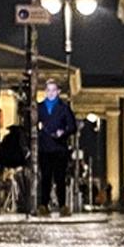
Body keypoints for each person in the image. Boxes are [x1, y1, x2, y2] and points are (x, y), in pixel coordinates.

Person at [36, 78, 76, 216]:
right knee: (45, 177)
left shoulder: (64, 108)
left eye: (53, 90)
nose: (51, 93)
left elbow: (72, 127)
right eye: (48, 90)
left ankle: (62, 205)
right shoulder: (39, 108)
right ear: (45, 92)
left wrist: (63, 132)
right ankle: (43, 205)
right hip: (44, 148)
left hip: (59, 148)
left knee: (60, 178)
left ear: (58, 92)